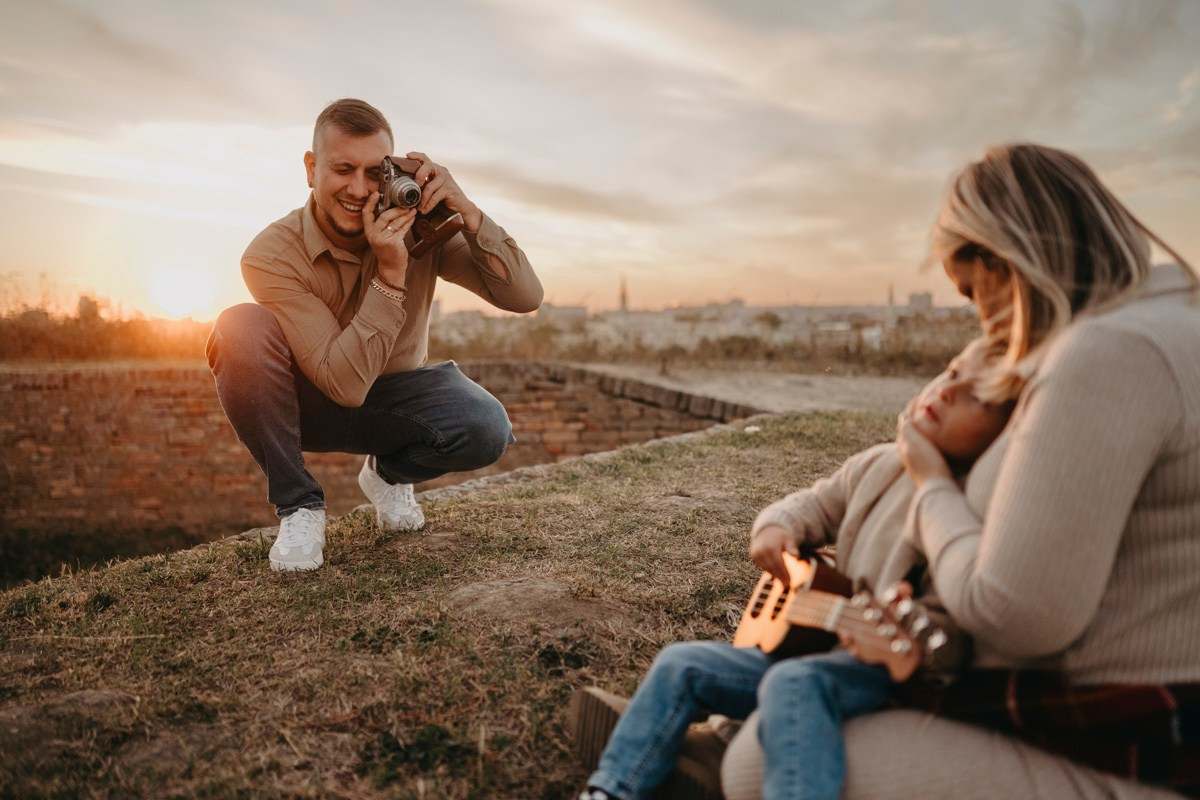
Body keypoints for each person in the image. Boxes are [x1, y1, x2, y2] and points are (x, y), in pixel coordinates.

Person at [720, 143, 1200, 800]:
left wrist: (931, 483)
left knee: (757, 761)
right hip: (1115, 718)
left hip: (1111, 743)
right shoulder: (1168, 321)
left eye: (975, 291)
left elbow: (1016, 614)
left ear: (1010, 260)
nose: (980, 320)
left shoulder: (1107, 355)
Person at [571, 336, 1018, 800]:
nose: (947, 391)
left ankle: (719, 751)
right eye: (951, 372)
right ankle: (612, 789)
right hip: (813, 645)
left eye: (978, 397)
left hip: (878, 677)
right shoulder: (879, 464)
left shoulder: (964, 509)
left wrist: (919, 635)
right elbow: (814, 503)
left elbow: (948, 641)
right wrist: (774, 527)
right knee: (681, 662)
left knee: (796, 683)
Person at [205, 98, 543, 572]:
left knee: (487, 427)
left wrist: (468, 213)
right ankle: (299, 507)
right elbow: (343, 386)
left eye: (373, 171)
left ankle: (387, 474)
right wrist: (390, 272)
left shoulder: (419, 228)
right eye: (343, 169)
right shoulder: (270, 253)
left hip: (397, 404)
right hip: (310, 405)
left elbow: (525, 297)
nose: (359, 189)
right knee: (238, 325)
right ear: (311, 167)